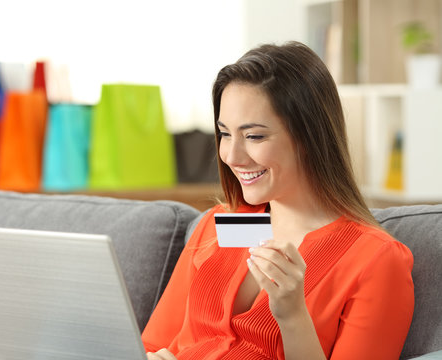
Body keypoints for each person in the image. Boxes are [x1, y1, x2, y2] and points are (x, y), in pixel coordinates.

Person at [142, 41, 414, 360]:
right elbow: (149, 345)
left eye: (254, 136)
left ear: (309, 137)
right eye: (225, 133)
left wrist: (292, 316)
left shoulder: (376, 260)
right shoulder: (220, 225)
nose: (231, 155)